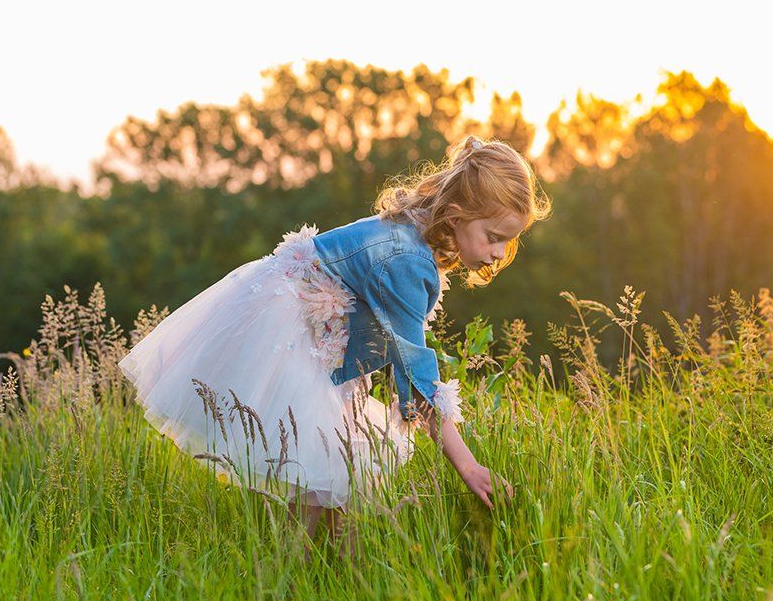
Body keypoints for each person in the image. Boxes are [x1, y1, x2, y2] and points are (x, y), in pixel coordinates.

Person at [117, 135, 552, 557]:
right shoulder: (406, 260)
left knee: (339, 471)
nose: (499, 252)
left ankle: (338, 571)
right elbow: (416, 377)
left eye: (508, 240)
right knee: (320, 467)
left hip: (317, 336)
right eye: (493, 236)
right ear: (455, 216)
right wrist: (468, 466)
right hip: (291, 332)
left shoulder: (414, 235)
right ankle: (290, 577)